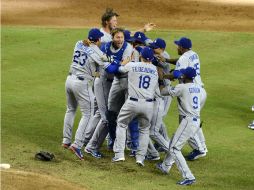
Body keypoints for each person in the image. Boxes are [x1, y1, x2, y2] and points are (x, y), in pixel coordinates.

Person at [62, 28, 114, 160]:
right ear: (97, 40)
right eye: (100, 39)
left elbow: (92, 54)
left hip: (69, 80)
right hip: (81, 84)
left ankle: (66, 140)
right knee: (88, 114)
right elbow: (108, 65)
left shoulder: (79, 43)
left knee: (71, 109)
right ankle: (77, 144)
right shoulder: (96, 51)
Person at [84, 28, 133, 157]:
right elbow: (113, 68)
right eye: (117, 37)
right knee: (106, 117)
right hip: (103, 81)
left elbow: (119, 65)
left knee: (102, 114)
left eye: (122, 37)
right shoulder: (105, 47)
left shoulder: (127, 47)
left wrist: (116, 62)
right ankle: (92, 146)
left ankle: (86, 139)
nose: (120, 40)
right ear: (112, 37)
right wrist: (119, 62)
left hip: (113, 82)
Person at [112, 47, 159, 167]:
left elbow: (120, 69)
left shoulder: (133, 65)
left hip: (132, 103)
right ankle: (140, 158)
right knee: (144, 130)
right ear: (152, 58)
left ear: (141, 56)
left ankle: (119, 155)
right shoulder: (155, 69)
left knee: (122, 124)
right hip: (149, 104)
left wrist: (126, 62)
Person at [165, 37, 208, 160]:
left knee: (186, 121)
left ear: (182, 48)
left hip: (190, 92)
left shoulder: (183, 58)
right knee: (193, 120)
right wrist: (167, 60)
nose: (177, 47)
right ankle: (202, 147)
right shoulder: (193, 54)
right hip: (200, 91)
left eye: (178, 46)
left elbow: (177, 73)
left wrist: (165, 76)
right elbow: (180, 61)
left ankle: (199, 149)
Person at [156, 67, 200, 185]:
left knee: (175, 148)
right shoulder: (199, 88)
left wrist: (161, 79)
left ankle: (189, 176)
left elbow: (162, 91)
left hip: (188, 121)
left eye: (182, 74)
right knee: (174, 141)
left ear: (185, 76)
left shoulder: (182, 87)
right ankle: (165, 166)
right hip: (196, 120)